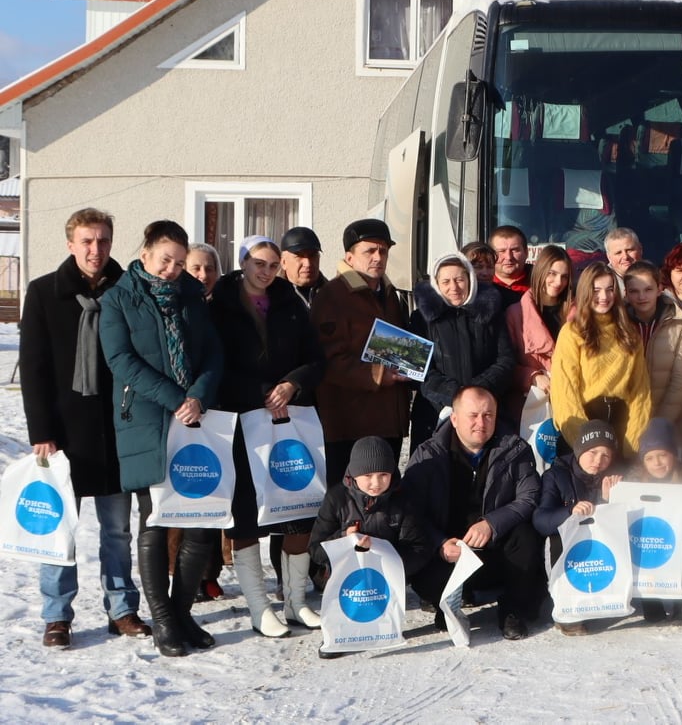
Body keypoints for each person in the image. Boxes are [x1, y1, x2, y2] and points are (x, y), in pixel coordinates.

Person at [99, 220, 225, 658]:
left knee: (200, 519)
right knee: (154, 521)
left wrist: (199, 396)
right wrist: (176, 399)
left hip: (195, 419)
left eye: (179, 262)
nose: (172, 269)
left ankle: (183, 612)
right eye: (165, 260)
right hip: (147, 420)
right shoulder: (118, 298)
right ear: (145, 254)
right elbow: (121, 360)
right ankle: (164, 619)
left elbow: (213, 352)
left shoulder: (192, 295)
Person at [19, 207, 144, 648]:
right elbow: (33, 368)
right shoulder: (43, 292)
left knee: (117, 531)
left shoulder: (128, 288)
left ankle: (122, 609)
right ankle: (57, 615)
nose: (96, 249)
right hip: (64, 434)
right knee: (60, 528)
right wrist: (41, 431)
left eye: (103, 240)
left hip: (117, 430)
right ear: (71, 244)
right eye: (87, 241)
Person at [208, 236, 326, 637]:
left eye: (273, 265)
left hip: (289, 418)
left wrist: (292, 384)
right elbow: (217, 367)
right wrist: (261, 392)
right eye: (259, 263)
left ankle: (295, 601)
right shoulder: (221, 306)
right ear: (243, 262)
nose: (266, 271)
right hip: (243, 422)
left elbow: (316, 359)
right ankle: (259, 608)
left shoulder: (291, 304)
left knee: (298, 510)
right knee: (246, 517)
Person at [402, 386, 543, 641]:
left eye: (488, 415)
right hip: (449, 553)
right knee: (419, 557)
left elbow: (529, 496)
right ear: (455, 419)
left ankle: (512, 609)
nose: (481, 423)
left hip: (495, 549)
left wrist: (491, 524)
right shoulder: (428, 455)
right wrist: (439, 543)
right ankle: (447, 605)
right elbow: (411, 509)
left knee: (526, 536)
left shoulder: (514, 449)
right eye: (473, 415)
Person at [307, 435, 434, 659]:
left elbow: (419, 548)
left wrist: (383, 555)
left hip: (386, 579)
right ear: (354, 474)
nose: (376, 483)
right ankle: (340, 633)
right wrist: (344, 538)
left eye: (383, 474)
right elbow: (315, 550)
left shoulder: (403, 500)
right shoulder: (337, 498)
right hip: (345, 581)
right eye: (367, 475)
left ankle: (383, 626)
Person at [311, 219, 412, 488]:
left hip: (388, 420)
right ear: (349, 257)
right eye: (370, 251)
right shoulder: (332, 295)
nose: (378, 257)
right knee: (348, 501)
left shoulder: (390, 293)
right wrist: (378, 374)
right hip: (349, 424)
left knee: (386, 499)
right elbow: (327, 360)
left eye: (384, 251)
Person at [409, 252, 518, 446]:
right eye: (446, 281)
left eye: (459, 280)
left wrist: (475, 392)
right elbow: (419, 369)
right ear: (436, 284)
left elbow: (505, 360)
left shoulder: (490, 314)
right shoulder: (422, 319)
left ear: (470, 280)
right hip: (435, 412)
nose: (454, 287)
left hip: (484, 411)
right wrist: (454, 394)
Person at [531, 420, 624, 635]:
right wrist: (569, 512)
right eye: (592, 452)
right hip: (567, 550)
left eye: (606, 455)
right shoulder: (556, 475)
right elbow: (541, 521)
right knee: (556, 538)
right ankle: (566, 608)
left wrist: (608, 499)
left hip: (601, 551)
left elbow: (622, 523)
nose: (598, 461)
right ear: (580, 449)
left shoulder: (615, 479)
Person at [550, 262, 652, 456]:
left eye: (609, 289)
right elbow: (564, 392)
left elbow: (641, 390)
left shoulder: (629, 333)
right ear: (585, 292)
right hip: (585, 425)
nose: (604, 297)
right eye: (596, 290)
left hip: (621, 426)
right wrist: (584, 442)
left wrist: (633, 442)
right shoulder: (572, 332)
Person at [624, 261, 682, 434]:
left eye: (648, 289)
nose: (641, 297)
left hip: (669, 424)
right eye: (634, 291)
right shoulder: (619, 324)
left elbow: (681, 379)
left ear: (659, 289)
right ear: (626, 293)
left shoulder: (679, 324)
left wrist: (660, 423)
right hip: (628, 421)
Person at [504, 245, 569, 425]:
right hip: (531, 406)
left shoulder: (577, 313)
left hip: (571, 402)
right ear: (540, 271)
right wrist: (532, 376)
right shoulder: (516, 313)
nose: (558, 282)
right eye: (552, 274)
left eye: (564, 276)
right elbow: (505, 363)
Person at [279, 227, 328, 306]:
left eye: (312, 256)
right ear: (283, 262)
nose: (308, 263)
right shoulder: (270, 297)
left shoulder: (335, 294)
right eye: (299, 256)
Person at [489, 226, 532, 294]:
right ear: (490, 255)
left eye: (515, 250)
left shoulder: (542, 281)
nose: (509, 257)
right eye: (501, 251)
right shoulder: (478, 284)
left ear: (526, 253)